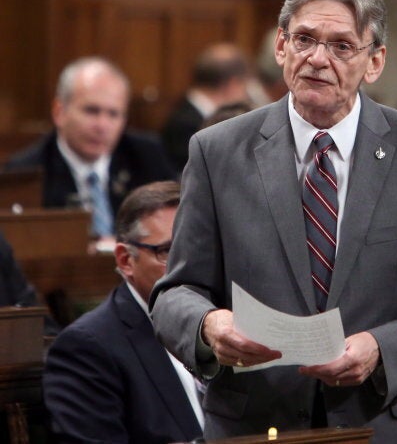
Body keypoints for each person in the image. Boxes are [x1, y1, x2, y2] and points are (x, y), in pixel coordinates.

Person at [150, 0, 397, 443]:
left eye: (342, 46)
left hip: (381, 420)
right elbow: (174, 292)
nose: (318, 59)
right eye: (305, 39)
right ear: (281, 48)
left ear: (374, 62)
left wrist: (380, 348)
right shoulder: (217, 150)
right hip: (255, 422)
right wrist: (208, 326)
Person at [43, 181, 204, 444]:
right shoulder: (86, 349)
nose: (190, 265)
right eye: (167, 251)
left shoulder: (229, 319)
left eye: (198, 247)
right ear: (125, 260)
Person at [3, 57, 176, 240]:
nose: (102, 125)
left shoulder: (146, 155)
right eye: (91, 111)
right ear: (59, 112)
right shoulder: (28, 171)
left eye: (113, 114)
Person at [160, 43, 250, 172]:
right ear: (233, 85)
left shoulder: (184, 113)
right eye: (245, 86)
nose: (247, 94)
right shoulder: (187, 125)